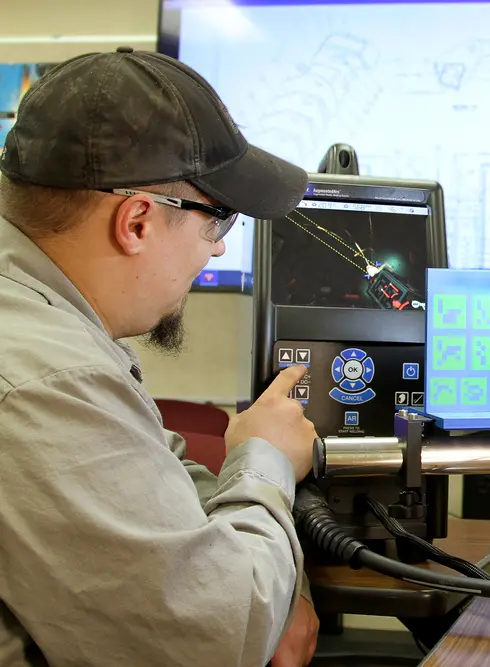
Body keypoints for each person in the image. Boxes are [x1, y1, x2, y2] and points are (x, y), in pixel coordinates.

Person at [0, 48, 321, 666]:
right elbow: (217, 638)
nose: (221, 250)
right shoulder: (48, 378)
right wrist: (267, 461)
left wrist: (272, 583)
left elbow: (161, 479)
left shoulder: (45, 325)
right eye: (217, 219)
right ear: (138, 221)